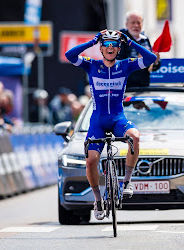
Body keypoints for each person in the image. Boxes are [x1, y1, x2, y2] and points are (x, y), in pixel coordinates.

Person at [65, 29, 157, 220]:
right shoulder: (92, 65)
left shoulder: (125, 66)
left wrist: (130, 42)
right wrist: (92, 42)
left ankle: (127, 182)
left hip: (117, 118)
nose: (110, 48)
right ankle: (98, 199)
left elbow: (150, 58)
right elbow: (70, 55)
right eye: (106, 45)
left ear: (118, 49)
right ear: (101, 48)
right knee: (91, 161)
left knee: (135, 136)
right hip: (97, 120)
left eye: (114, 45)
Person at [117, 10, 161, 88]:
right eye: (133, 23)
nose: (136, 25)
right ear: (126, 24)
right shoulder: (120, 40)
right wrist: (137, 61)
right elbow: (118, 65)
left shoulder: (145, 39)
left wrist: (155, 61)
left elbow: (151, 68)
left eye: (138, 22)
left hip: (143, 87)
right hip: (126, 88)